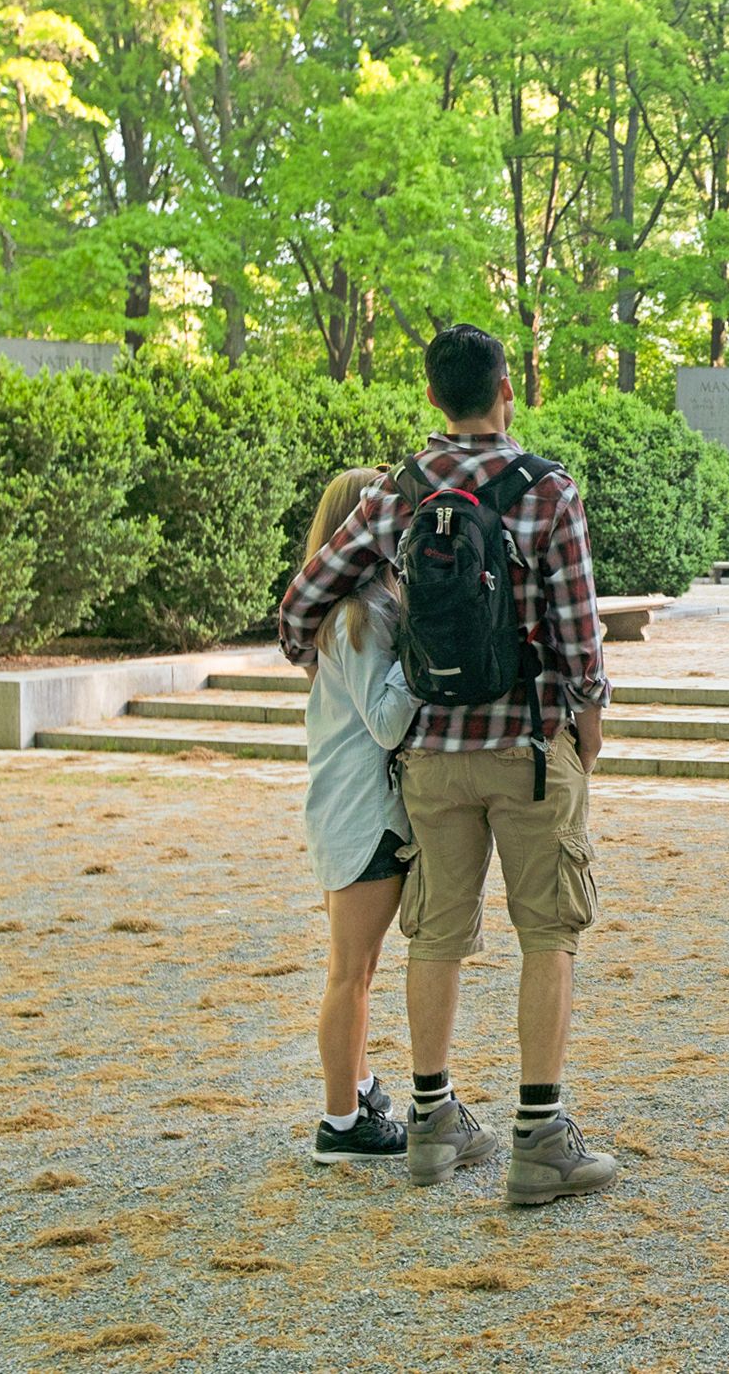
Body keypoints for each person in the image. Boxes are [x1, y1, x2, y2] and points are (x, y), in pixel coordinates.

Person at [279, 323, 617, 1206]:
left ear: (432, 397)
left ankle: (431, 1127)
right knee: (548, 932)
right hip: (529, 746)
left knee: (437, 938)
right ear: (509, 388)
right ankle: (538, 1139)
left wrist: (319, 659)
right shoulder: (549, 491)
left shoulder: (397, 492)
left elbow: (302, 603)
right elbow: (581, 638)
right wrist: (590, 723)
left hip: (430, 755)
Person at [299, 467, 420, 1165]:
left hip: (345, 809)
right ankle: (341, 1123)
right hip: (363, 815)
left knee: (357, 966)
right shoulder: (362, 616)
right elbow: (384, 721)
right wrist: (421, 656)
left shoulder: (341, 612)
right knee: (350, 972)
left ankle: (357, 1082)